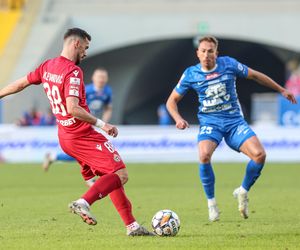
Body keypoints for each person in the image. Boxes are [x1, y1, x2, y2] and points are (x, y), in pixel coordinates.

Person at [0, 27, 153, 236]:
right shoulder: (73, 72)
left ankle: (132, 226)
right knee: (121, 174)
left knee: (109, 177)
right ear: (76, 44)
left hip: (65, 136)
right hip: (82, 134)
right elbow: (73, 108)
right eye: (86, 47)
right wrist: (103, 124)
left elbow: (21, 83)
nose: (86, 53)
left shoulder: (47, 66)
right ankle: (83, 202)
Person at [166, 36, 297, 222]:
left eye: (210, 51)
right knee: (203, 155)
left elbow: (256, 76)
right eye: (203, 51)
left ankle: (242, 191)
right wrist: (178, 119)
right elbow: (171, 101)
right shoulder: (190, 74)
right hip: (211, 123)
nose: (206, 54)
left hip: (234, 122)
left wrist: (281, 90)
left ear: (216, 53)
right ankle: (211, 203)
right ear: (198, 53)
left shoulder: (229, 64)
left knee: (260, 156)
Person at [42, 67, 113, 171]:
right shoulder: (86, 90)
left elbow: (108, 108)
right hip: (79, 123)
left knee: (85, 151)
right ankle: (90, 176)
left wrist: (104, 122)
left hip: (92, 123)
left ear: (106, 79)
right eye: (99, 77)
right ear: (93, 78)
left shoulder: (107, 91)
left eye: (103, 77)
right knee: (83, 151)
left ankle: (53, 157)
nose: (101, 79)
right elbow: (74, 105)